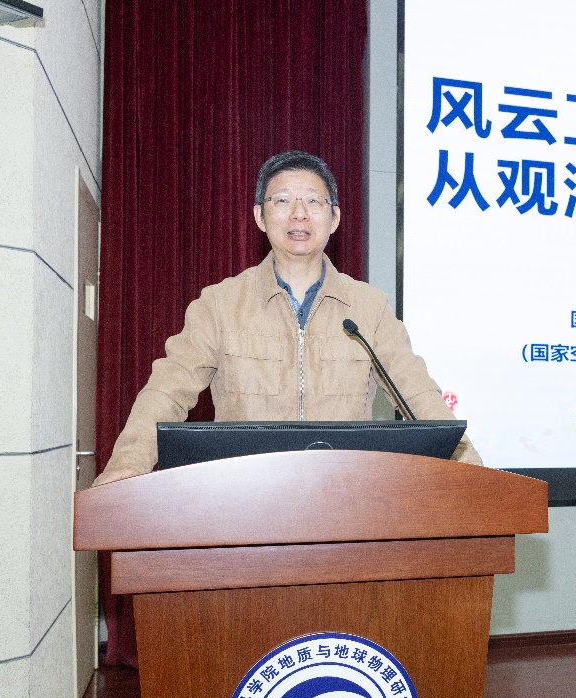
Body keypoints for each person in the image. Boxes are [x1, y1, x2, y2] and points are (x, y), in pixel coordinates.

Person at [94, 150, 479, 485]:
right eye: (282, 200)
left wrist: (471, 467)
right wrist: (129, 463)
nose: (299, 214)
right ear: (260, 216)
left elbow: (416, 392)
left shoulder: (368, 307)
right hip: (245, 500)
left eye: (313, 201)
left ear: (334, 217)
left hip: (346, 497)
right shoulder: (220, 304)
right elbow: (168, 389)